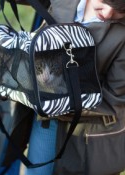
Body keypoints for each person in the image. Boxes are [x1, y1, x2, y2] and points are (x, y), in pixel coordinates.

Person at [24, 0, 125, 175]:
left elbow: (114, 99)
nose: (108, 13)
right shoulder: (63, 3)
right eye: (104, 1)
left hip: (88, 132)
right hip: (45, 122)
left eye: (121, 9)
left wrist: (58, 102)